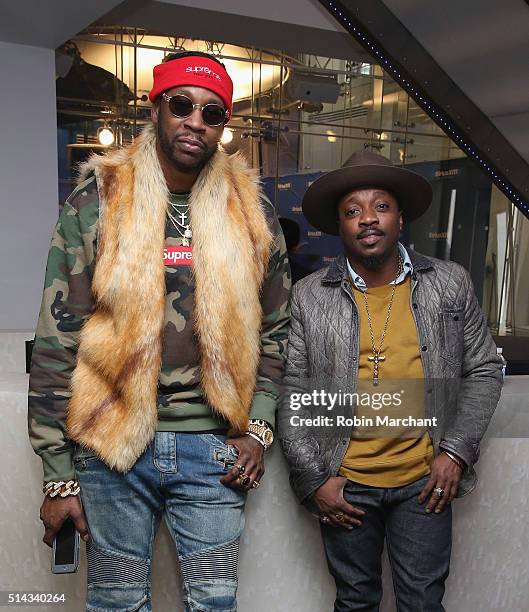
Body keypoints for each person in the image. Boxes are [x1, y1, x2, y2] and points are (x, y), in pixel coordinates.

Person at [29, 50, 290, 612]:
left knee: (214, 603)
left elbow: (277, 330)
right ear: (156, 110)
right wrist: (57, 474)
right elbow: (57, 335)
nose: (196, 121)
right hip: (111, 447)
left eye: (212, 114)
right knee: (117, 603)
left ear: (223, 128)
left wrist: (260, 428)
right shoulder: (98, 199)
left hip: (214, 452)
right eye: (182, 105)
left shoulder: (252, 211)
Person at [278, 150, 502, 611]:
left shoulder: (448, 283)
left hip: (424, 480)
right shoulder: (309, 297)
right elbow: (293, 391)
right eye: (352, 211)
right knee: (355, 600)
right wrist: (315, 479)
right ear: (340, 226)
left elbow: (482, 369)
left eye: (380, 206)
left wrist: (455, 451)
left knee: (422, 602)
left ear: (400, 219)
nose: (367, 219)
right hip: (347, 482)